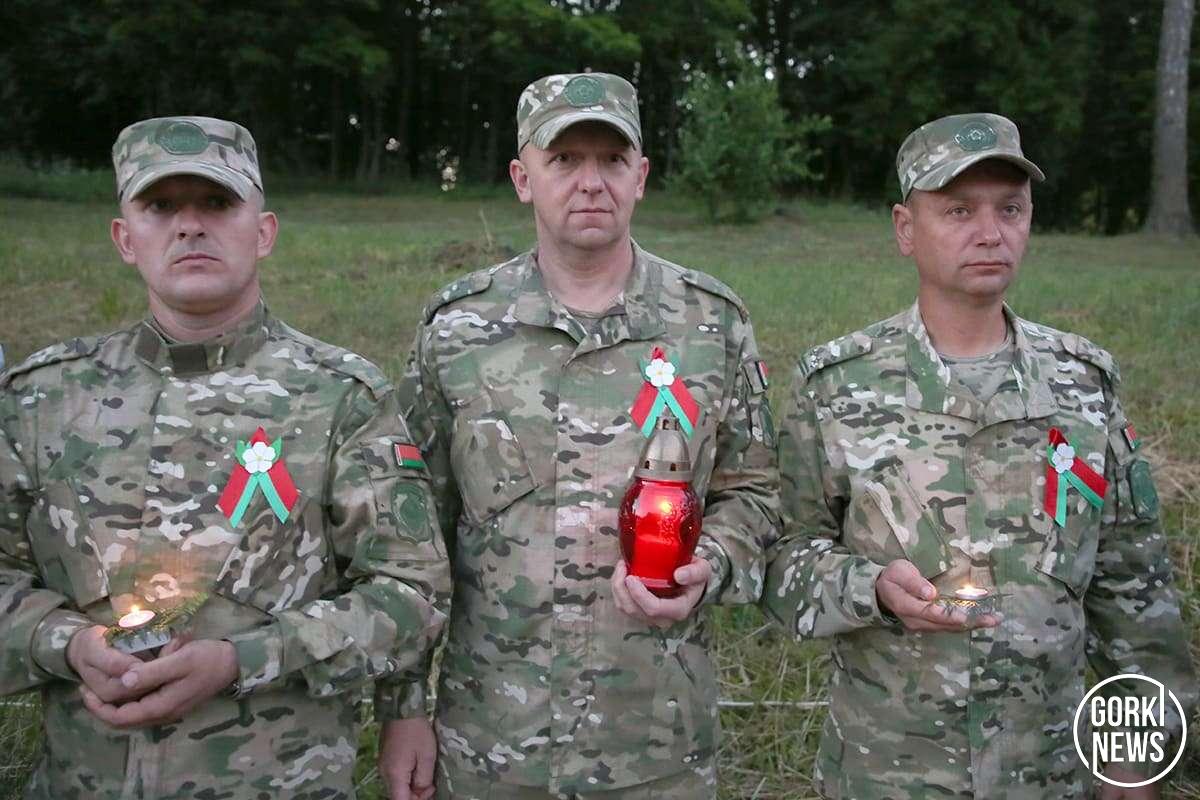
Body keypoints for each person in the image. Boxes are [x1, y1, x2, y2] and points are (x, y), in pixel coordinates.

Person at [0, 115, 450, 799]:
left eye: (216, 202)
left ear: (263, 231)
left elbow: (412, 591)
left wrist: (246, 658)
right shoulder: (40, 399)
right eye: (160, 207)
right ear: (125, 238)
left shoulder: (340, 398)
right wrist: (65, 643)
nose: (189, 226)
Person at [762, 112, 1196, 799]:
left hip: (1048, 771)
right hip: (891, 772)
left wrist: (1135, 750)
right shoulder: (837, 388)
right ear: (906, 228)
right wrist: (869, 588)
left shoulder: (1082, 385)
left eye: (1010, 209)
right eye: (959, 210)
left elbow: (1133, 583)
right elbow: (783, 555)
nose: (990, 233)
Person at [382, 73, 779, 799]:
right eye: (564, 159)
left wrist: (712, 563)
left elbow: (755, 491)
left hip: (656, 741)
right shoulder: (457, 330)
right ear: (521, 178)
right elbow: (411, 534)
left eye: (612, 160)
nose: (591, 182)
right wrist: (405, 708)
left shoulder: (712, 324)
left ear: (641, 177)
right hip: (494, 743)